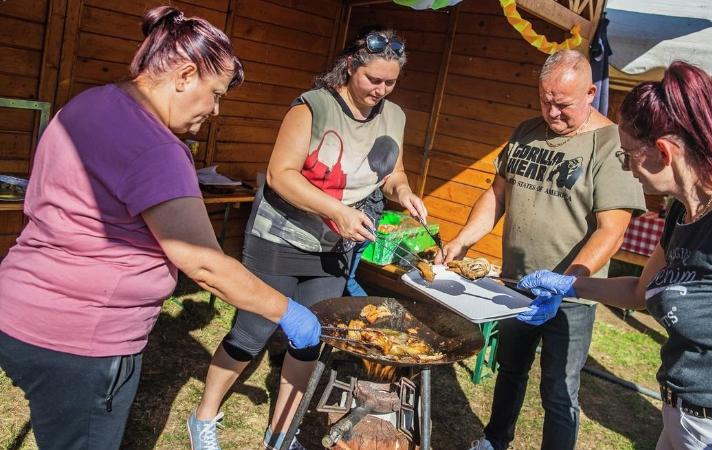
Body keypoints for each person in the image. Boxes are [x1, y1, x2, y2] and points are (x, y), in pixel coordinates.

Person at [0, 7, 320, 450]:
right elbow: (204, 265)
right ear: (186, 75)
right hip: (82, 340)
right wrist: (288, 311)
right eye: (216, 94)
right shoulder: (157, 147)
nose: (215, 110)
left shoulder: (88, 103)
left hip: (16, 311)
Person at [517, 61, 712, 450]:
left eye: (628, 155)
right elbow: (640, 293)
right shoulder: (683, 212)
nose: (629, 169)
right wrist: (570, 284)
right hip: (681, 420)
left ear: (663, 151)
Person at [189, 28, 426, 450]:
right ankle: (204, 416)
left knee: (311, 338)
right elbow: (281, 175)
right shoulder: (313, 107)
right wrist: (337, 210)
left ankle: (282, 431)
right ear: (352, 66)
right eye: (374, 79)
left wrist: (404, 193)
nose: (381, 90)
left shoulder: (394, 117)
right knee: (253, 331)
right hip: (279, 240)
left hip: (333, 248)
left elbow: (393, 173)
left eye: (391, 82)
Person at [439, 50, 646, 450]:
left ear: (590, 92)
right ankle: (495, 440)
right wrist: (464, 238)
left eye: (563, 104)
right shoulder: (526, 131)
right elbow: (497, 195)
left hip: (572, 295)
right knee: (510, 370)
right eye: (545, 99)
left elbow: (612, 230)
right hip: (516, 284)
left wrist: (569, 281)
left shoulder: (610, 146)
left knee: (558, 388)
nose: (552, 112)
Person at [345, 188, 385, 296]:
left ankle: (374, 311)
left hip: (357, 228)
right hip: (370, 223)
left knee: (346, 280)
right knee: (348, 279)